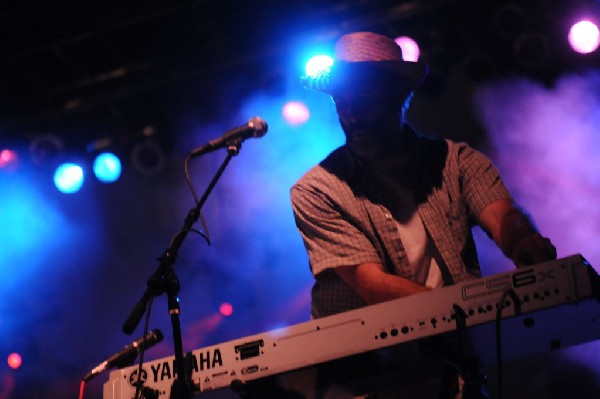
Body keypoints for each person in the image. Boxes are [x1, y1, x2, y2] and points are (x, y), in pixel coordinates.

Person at [290, 31, 557, 398]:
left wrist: (523, 241)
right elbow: (371, 284)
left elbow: (500, 213)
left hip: (453, 370)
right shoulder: (318, 190)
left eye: (365, 100)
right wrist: (467, 310)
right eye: (342, 102)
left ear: (400, 95)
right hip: (364, 382)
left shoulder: (457, 162)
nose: (352, 115)